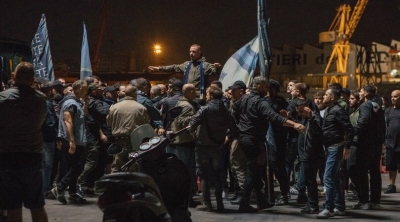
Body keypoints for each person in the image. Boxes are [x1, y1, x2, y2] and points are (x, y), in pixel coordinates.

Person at [232, 76, 306, 213]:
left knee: (253, 170)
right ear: (259, 86)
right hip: (254, 139)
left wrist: (238, 128)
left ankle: (259, 200)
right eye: (266, 87)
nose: (267, 90)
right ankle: (246, 202)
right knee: (252, 170)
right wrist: (294, 124)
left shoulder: (243, 99)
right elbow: (274, 117)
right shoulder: (260, 102)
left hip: (245, 138)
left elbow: (233, 112)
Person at [0, 62, 48, 222]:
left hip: (8, 156)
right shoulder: (41, 99)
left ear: (14, 77)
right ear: (32, 79)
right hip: (32, 156)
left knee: (13, 206)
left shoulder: (3, 98)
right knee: (37, 205)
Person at [189, 85, 236, 212]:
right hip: (218, 146)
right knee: (218, 174)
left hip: (203, 146)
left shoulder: (204, 109)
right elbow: (233, 128)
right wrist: (226, 136)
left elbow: (193, 124)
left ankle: (207, 203)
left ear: (210, 96)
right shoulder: (226, 111)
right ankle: (220, 204)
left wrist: (193, 134)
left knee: (203, 174)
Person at [316, 88, 354, 219]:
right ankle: (340, 207)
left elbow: (349, 129)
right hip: (330, 147)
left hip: (335, 147)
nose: (323, 97)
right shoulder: (328, 110)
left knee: (328, 178)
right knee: (336, 179)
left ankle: (329, 208)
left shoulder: (338, 111)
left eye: (326, 95)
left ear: (332, 97)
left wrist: (347, 147)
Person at [52, 79, 88, 205]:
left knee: (74, 167)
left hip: (76, 140)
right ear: (78, 89)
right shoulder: (71, 102)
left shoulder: (76, 102)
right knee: (78, 166)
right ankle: (60, 188)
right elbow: (68, 122)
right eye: (85, 89)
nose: (86, 91)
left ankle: (72, 193)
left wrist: (85, 103)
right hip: (73, 140)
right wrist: (72, 141)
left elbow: (82, 116)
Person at [148, 44, 221, 101]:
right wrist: (159, 68)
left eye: (194, 52)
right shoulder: (187, 64)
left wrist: (217, 68)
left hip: (199, 97)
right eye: (190, 51)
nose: (191, 53)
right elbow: (174, 67)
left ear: (199, 53)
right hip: (186, 96)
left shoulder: (205, 65)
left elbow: (215, 73)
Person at [352, 85, 385, 210]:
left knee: (362, 172)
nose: (359, 93)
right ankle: (375, 201)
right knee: (375, 172)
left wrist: (353, 132)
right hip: (376, 144)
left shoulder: (365, 106)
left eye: (360, 91)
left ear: (365, 93)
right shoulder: (377, 105)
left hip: (365, 144)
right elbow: (382, 124)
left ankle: (364, 201)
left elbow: (363, 122)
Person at [169, 83, 201, 207]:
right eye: (194, 91)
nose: (196, 93)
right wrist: (196, 117)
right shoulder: (187, 106)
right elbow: (182, 122)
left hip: (182, 142)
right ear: (189, 92)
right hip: (185, 142)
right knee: (188, 171)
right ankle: (188, 198)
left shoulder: (181, 104)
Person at [107, 84, 150, 173]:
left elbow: (109, 123)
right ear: (135, 94)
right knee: (133, 166)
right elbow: (145, 126)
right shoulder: (141, 108)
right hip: (134, 141)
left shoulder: (114, 107)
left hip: (118, 141)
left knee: (116, 166)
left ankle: (113, 185)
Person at [295, 99, 324, 214]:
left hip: (310, 155)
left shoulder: (314, 117)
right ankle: (311, 204)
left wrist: (311, 116)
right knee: (309, 181)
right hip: (306, 155)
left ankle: (313, 206)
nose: (299, 114)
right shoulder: (305, 119)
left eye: (301, 111)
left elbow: (318, 129)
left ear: (307, 108)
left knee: (310, 181)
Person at [266, 79, 290, 206]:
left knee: (278, 166)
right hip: (268, 138)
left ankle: (284, 193)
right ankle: (270, 193)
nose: (268, 91)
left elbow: (274, 113)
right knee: (269, 167)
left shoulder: (280, 102)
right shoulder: (266, 101)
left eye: (270, 88)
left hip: (278, 138)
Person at [39, 81, 59, 198]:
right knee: (47, 165)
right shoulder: (47, 103)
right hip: (47, 138)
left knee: (42, 165)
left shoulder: (41, 101)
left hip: (40, 137)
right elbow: (50, 122)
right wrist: (56, 137)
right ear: (49, 90)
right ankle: (45, 189)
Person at [384, 90, 400, 194]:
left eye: (395, 96)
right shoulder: (388, 111)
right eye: (392, 96)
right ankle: (391, 185)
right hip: (391, 143)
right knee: (391, 166)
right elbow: (386, 126)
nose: (393, 98)